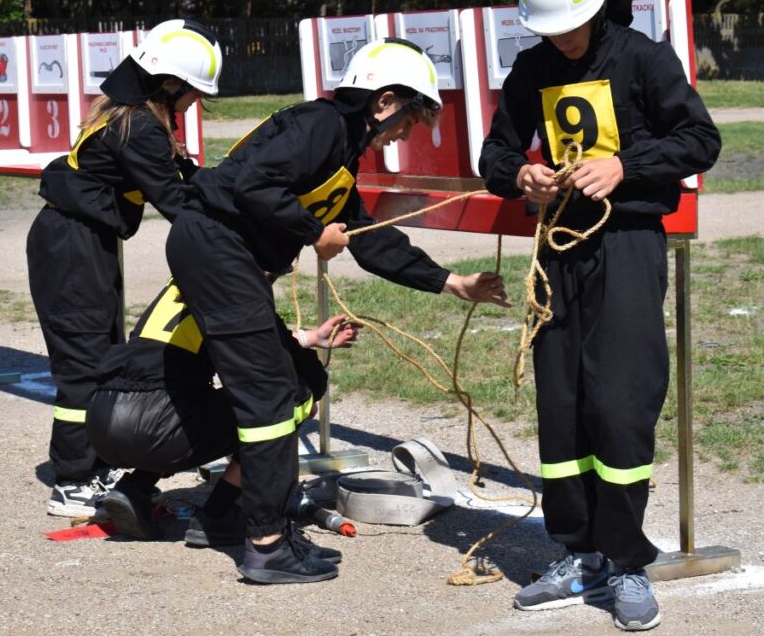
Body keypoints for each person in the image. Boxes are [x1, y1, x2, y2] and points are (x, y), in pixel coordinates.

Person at [165, 38, 512, 584]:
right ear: (384, 100)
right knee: (269, 400)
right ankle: (266, 543)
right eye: (409, 120)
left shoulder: (339, 153)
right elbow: (255, 184)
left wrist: (453, 283)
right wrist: (311, 232)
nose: (404, 135)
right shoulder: (321, 126)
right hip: (215, 253)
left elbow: (368, 240)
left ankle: (221, 519)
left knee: (298, 378)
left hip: (224, 259)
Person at [479, 0, 721, 631]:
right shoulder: (532, 69)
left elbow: (701, 141)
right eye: (547, 27)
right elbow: (495, 152)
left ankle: (626, 559)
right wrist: (518, 173)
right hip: (559, 251)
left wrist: (625, 165)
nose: (558, 37)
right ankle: (579, 550)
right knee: (562, 405)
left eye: (569, 23)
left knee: (619, 400)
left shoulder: (645, 58)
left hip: (627, 246)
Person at [27, 19, 223, 517]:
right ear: (170, 83)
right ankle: (72, 482)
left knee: (99, 354)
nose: (193, 103)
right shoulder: (137, 128)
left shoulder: (130, 116)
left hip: (83, 240)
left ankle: (92, 464)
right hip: (71, 245)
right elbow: (177, 200)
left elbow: (187, 180)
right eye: (193, 92)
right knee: (82, 363)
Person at [83, 279, 358, 573]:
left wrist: (310, 337)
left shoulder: (188, 278)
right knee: (281, 403)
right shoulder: (234, 284)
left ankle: (135, 488)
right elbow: (257, 360)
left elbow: (226, 336)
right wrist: (307, 392)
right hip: (156, 427)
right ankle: (217, 515)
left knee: (186, 401)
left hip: (102, 419)